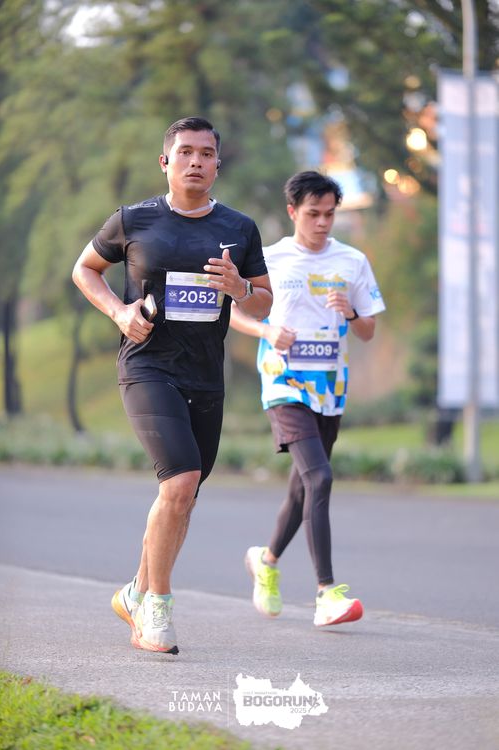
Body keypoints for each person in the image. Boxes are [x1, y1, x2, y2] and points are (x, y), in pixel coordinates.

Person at [72, 116, 272, 653]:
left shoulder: (239, 227)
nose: (195, 162)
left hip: (205, 375)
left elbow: (263, 301)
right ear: (165, 162)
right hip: (147, 367)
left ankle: (136, 591)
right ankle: (156, 608)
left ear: (218, 164)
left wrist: (239, 288)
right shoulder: (133, 219)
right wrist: (119, 312)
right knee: (180, 481)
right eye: (185, 152)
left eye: (206, 153)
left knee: (183, 495)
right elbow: (85, 270)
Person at [230, 170, 385, 627]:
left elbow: (368, 330)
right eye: (313, 213)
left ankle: (266, 560)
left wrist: (351, 312)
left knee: (304, 487)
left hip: (330, 387)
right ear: (292, 211)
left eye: (329, 214)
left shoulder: (352, 261)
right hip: (284, 382)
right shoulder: (271, 259)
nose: (322, 223)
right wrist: (266, 331)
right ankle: (326, 594)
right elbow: (235, 312)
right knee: (320, 478)